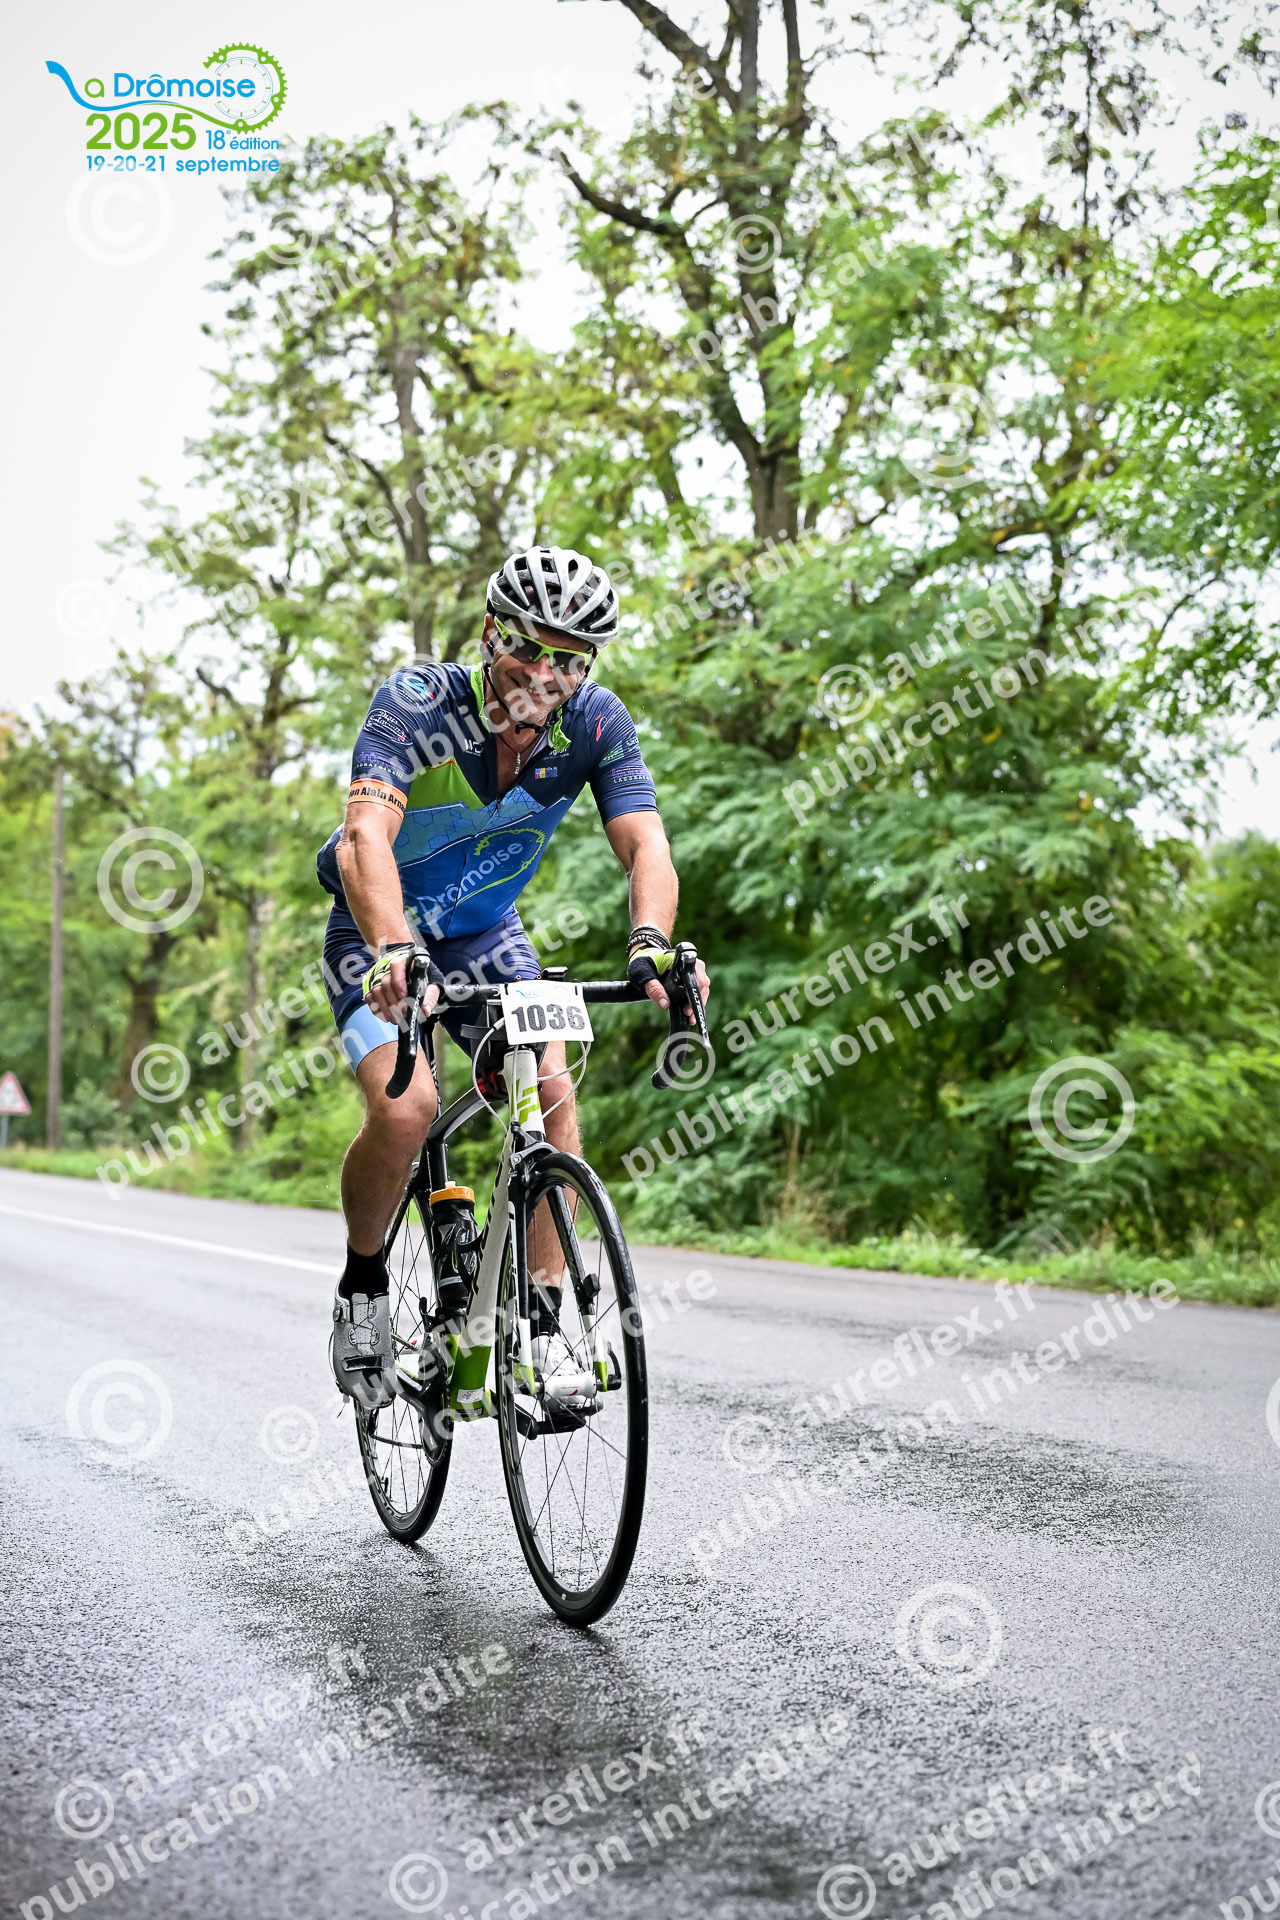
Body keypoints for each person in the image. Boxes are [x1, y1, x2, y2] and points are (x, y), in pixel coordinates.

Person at [315, 544, 710, 1407]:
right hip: (377, 930)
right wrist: (392, 948)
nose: (543, 672)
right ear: (490, 632)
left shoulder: (596, 724)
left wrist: (652, 942)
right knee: (407, 1109)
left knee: (552, 1091)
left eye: (568, 658)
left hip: (487, 935)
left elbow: (645, 842)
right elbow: (363, 839)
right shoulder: (418, 704)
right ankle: (363, 1284)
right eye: (527, 646)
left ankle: (542, 1324)